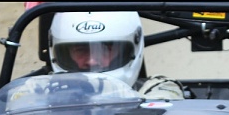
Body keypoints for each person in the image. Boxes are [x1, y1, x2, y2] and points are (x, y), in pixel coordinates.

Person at [48, 11, 186, 100]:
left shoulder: (160, 89)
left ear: (130, 49)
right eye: (80, 50)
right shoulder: (43, 91)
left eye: (106, 49)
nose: (92, 60)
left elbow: (163, 110)